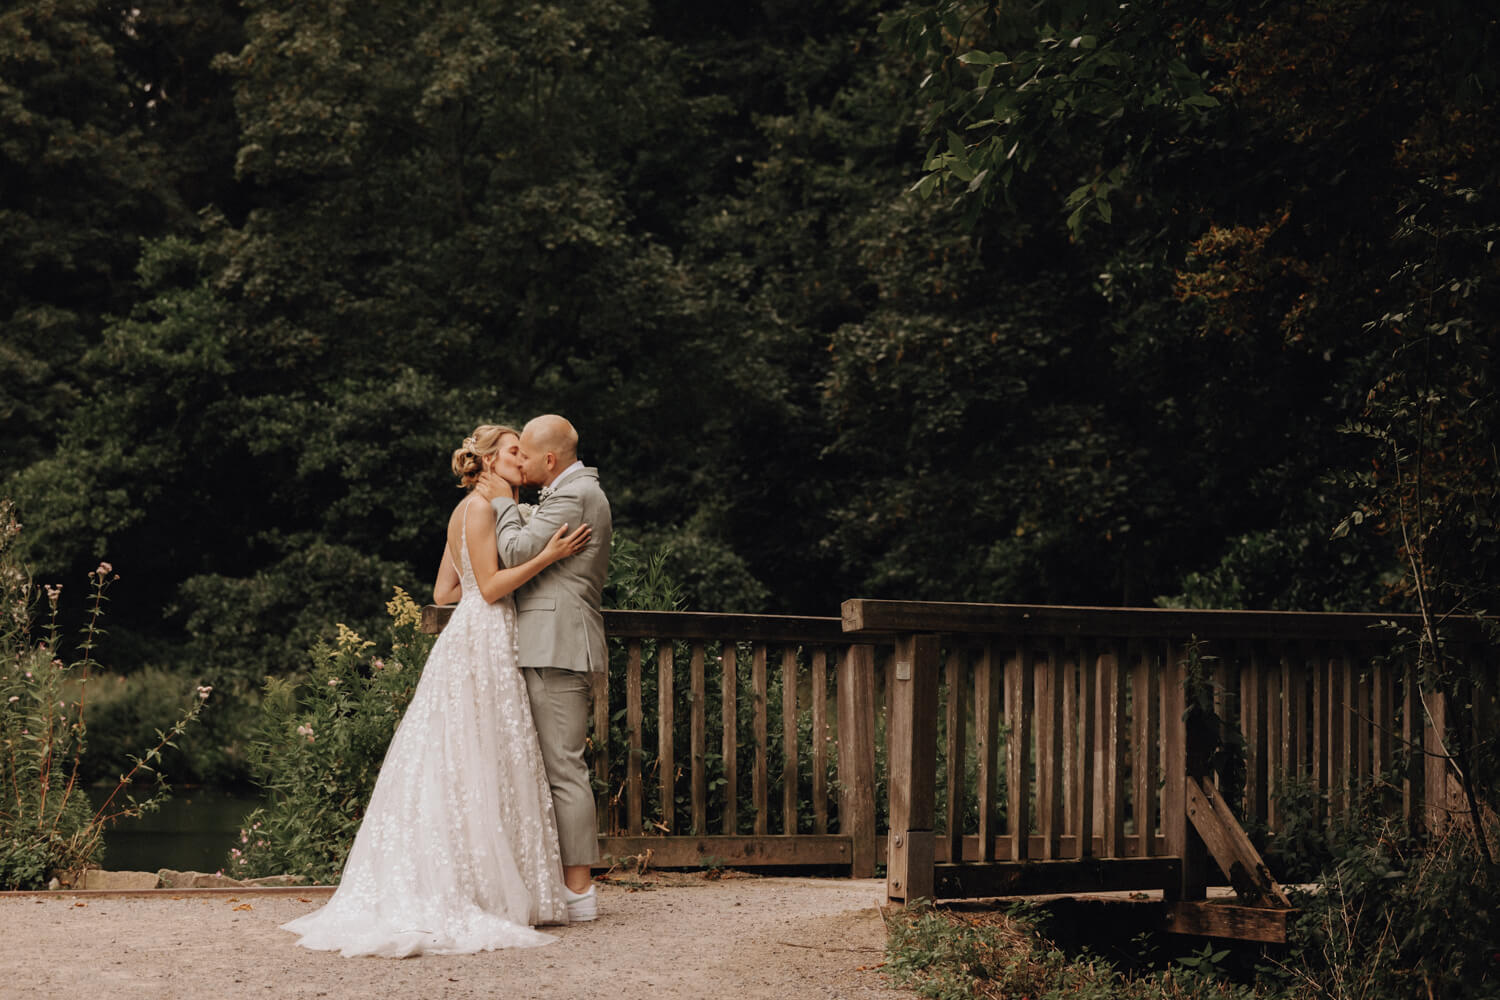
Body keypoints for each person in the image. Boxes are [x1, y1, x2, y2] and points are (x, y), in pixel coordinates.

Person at [281, 424, 592, 957]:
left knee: (478, 757)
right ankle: (474, 889)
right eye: (514, 451)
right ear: (491, 461)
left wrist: (479, 587)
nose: (522, 459)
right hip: (485, 637)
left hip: (474, 634)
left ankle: (489, 883)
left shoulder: (473, 511)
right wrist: (547, 558)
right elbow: (490, 589)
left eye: (523, 450)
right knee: (477, 756)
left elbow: (444, 590)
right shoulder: (476, 510)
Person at [477, 414, 611, 922]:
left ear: (549, 459)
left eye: (528, 456)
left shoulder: (573, 496)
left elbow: (511, 549)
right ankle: (565, 883)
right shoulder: (573, 492)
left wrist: (501, 502)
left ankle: (578, 892)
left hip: (557, 646)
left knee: (565, 771)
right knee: (559, 769)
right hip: (552, 643)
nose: (523, 464)